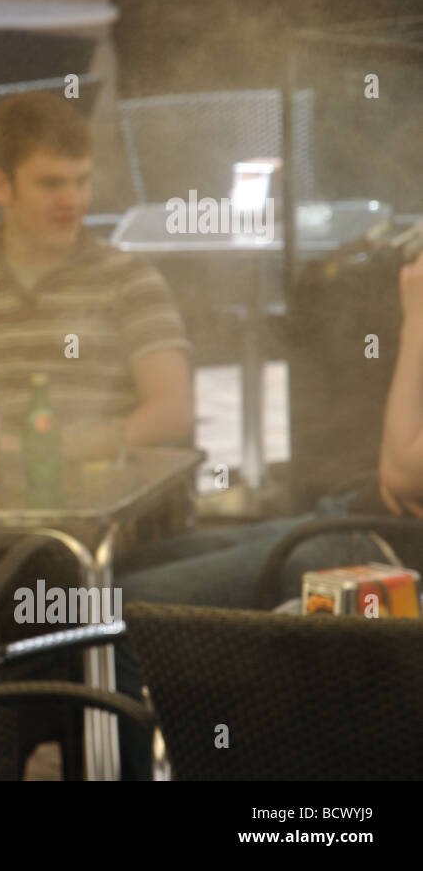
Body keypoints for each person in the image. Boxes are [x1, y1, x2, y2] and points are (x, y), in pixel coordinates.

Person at [112, 250, 423, 777]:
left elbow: (404, 471)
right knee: (120, 570)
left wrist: (417, 316)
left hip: (387, 552)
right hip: (353, 514)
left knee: (124, 612)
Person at [0, 91, 194, 459]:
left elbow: (172, 411)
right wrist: (2, 452)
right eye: (51, 184)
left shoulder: (130, 277)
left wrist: (58, 454)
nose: (72, 200)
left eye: (81, 181)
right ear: (1, 186)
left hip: (100, 492)